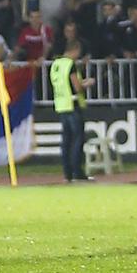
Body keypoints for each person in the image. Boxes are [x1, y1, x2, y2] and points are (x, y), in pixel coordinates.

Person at [50, 42, 94, 182]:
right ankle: (77, 172)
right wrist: (88, 83)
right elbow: (77, 87)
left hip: (61, 105)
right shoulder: (70, 64)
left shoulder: (55, 65)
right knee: (77, 140)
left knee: (66, 141)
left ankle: (67, 173)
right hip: (73, 104)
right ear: (74, 50)